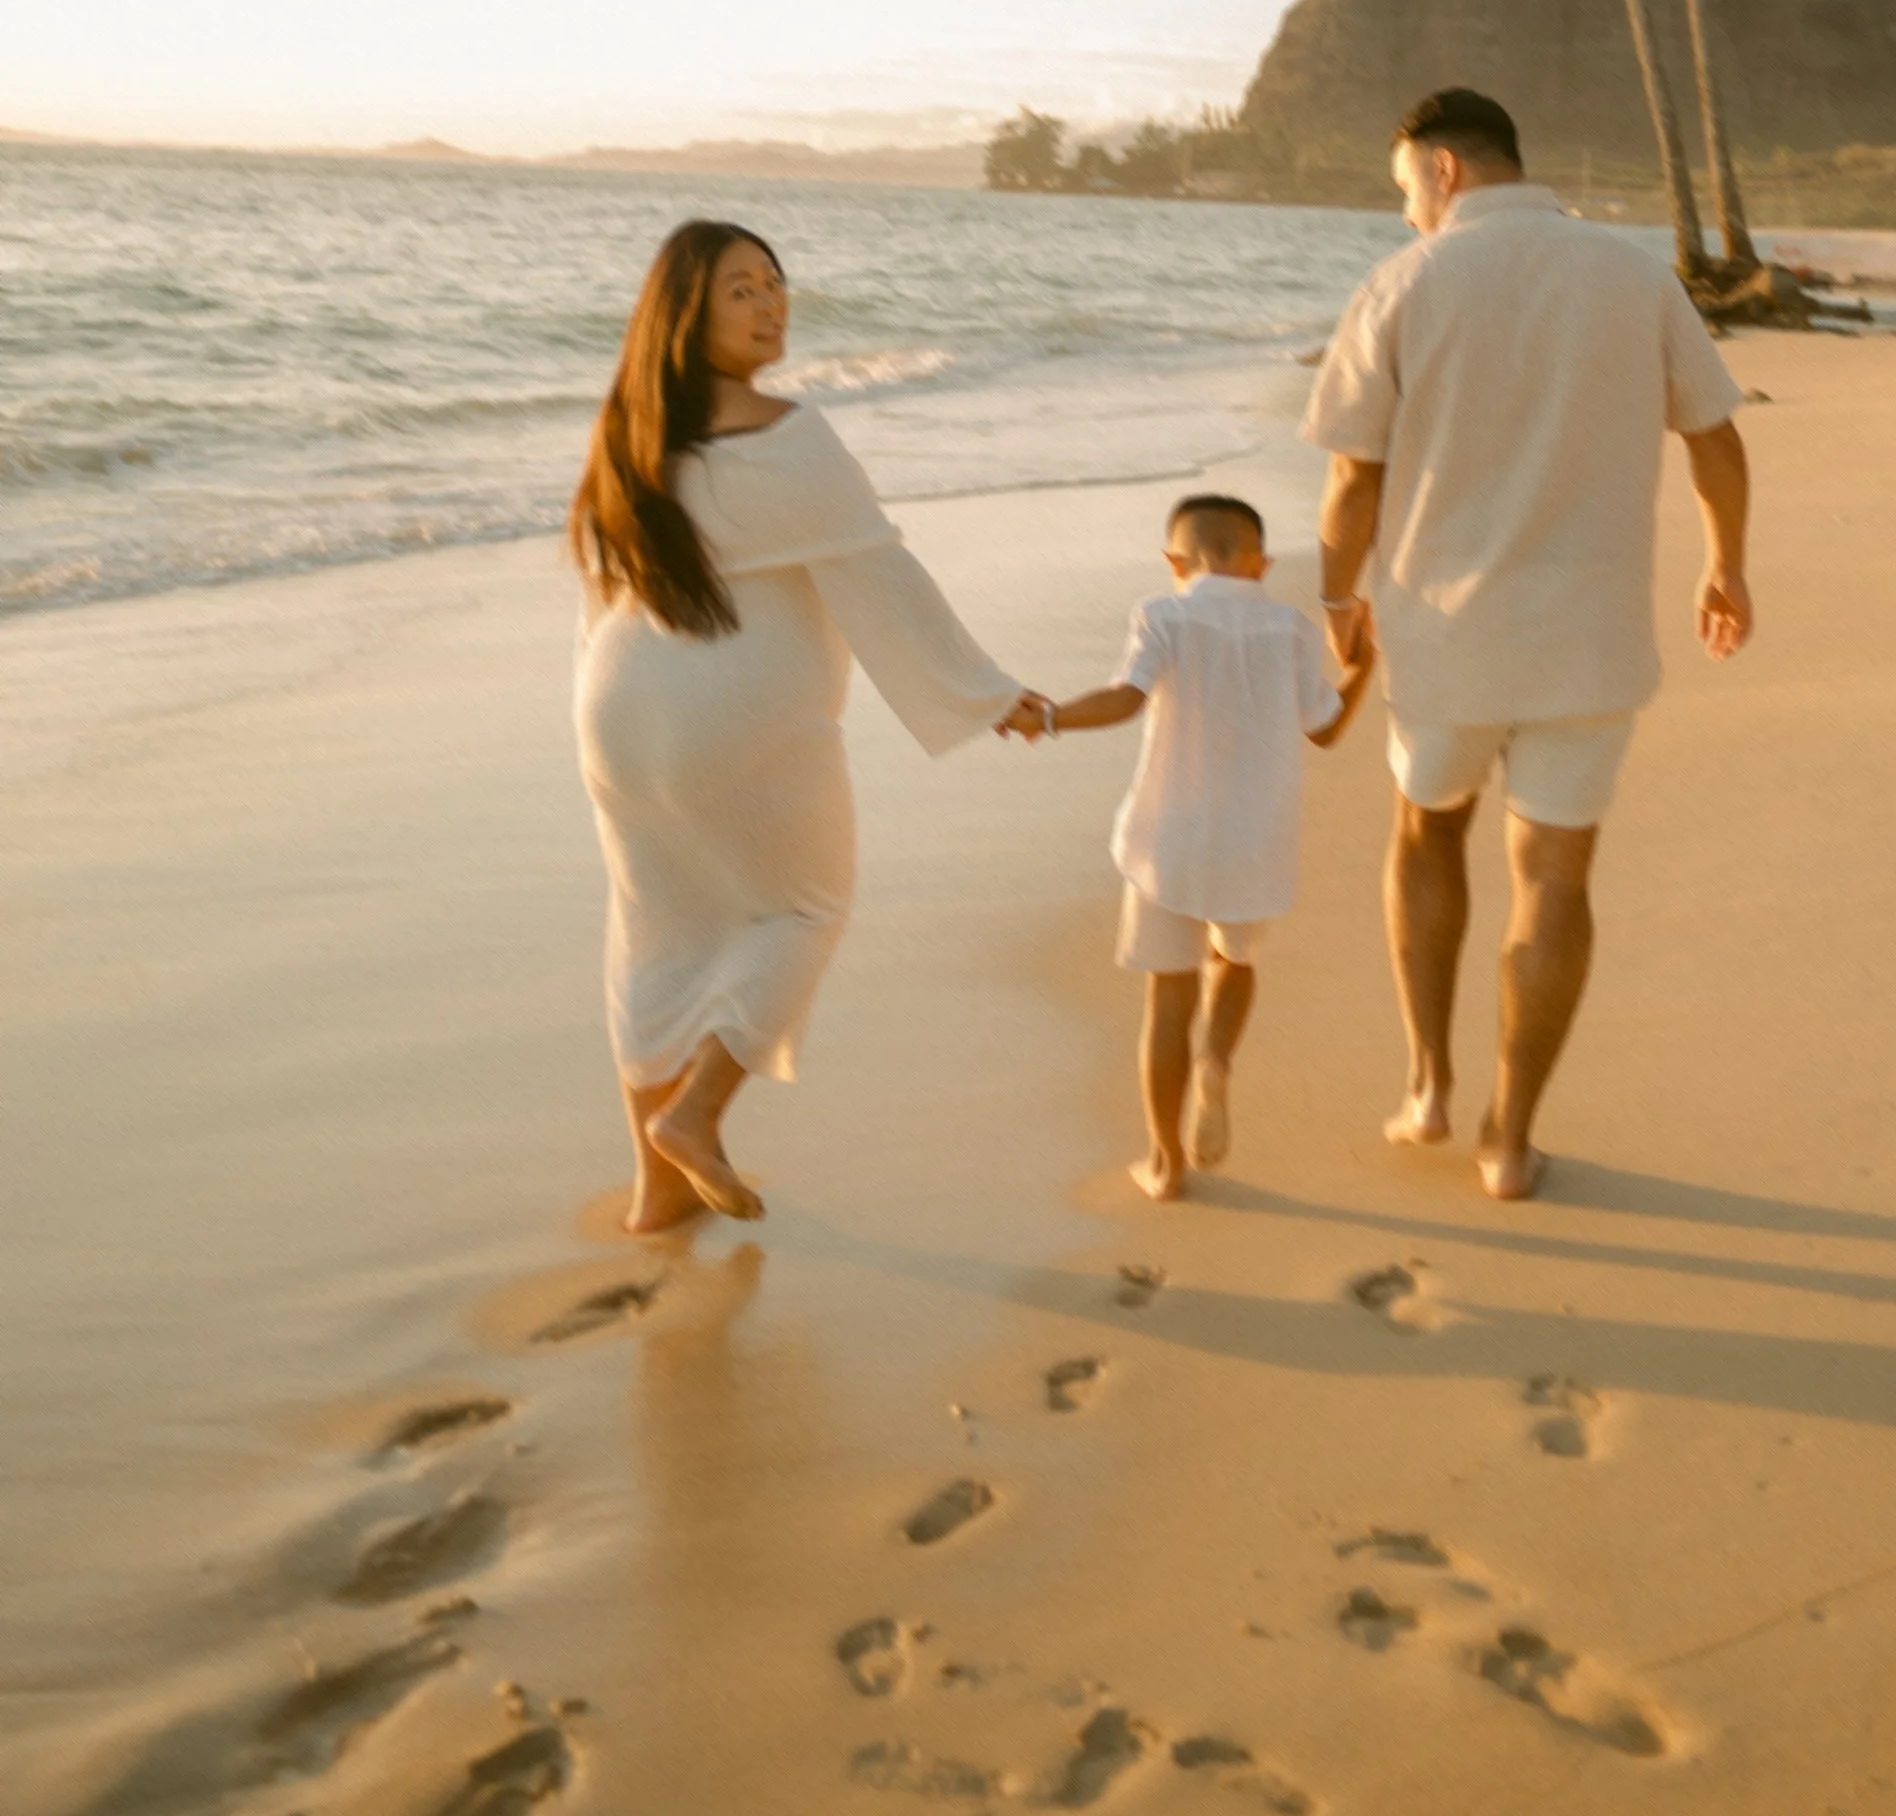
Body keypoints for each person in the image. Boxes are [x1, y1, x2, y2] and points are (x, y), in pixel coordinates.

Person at [1304, 87, 1751, 1202]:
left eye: (1404, 182)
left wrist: (1335, 602)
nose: (1404, 207)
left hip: (1444, 635)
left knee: (1425, 833)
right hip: (1589, 638)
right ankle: (1509, 1137)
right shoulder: (1633, 274)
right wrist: (1725, 565)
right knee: (1552, 876)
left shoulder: (1401, 283)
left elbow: (1352, 475)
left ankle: (1426, 1084)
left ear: (1445, 168)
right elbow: (1713, 434)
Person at [570, 220, 1049, 1231]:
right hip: (733, 716)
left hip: (614, 706)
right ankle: (693, 1118)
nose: (771, 303)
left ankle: (655, 1192)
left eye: (776, 284)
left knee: (654, 932)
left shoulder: (626, 435)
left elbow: (599, 584)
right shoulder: (788, 431)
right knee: (803, 909)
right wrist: (984, 692)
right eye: (741, 288)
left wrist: (601, 716)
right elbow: (878, 567)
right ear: (685, 310)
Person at [1037, 490, 1372, 1202]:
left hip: (1170, 838)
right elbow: (1325, 727)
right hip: (1255, 840)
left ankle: (1164, 1161)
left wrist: (1050, 716)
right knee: (1235, 959)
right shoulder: (1290, 628)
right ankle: (1216, 1060)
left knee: (1168, 997)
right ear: (1261, 563)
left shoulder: (1162, 613)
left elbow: (1124, 698)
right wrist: (1363, 665)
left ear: (1173, 561)